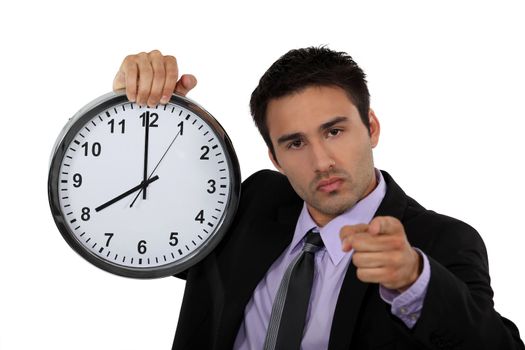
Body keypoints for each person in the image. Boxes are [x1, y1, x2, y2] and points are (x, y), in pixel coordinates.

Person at [113, 48, 525, 350]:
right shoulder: (252, 202)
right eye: (295, 143)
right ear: (275, 158)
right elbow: (156, 226)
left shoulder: (440, 241)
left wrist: (415, 281)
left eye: (334, 131)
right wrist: (137, 111)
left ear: (372, 127)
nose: (321, 161)